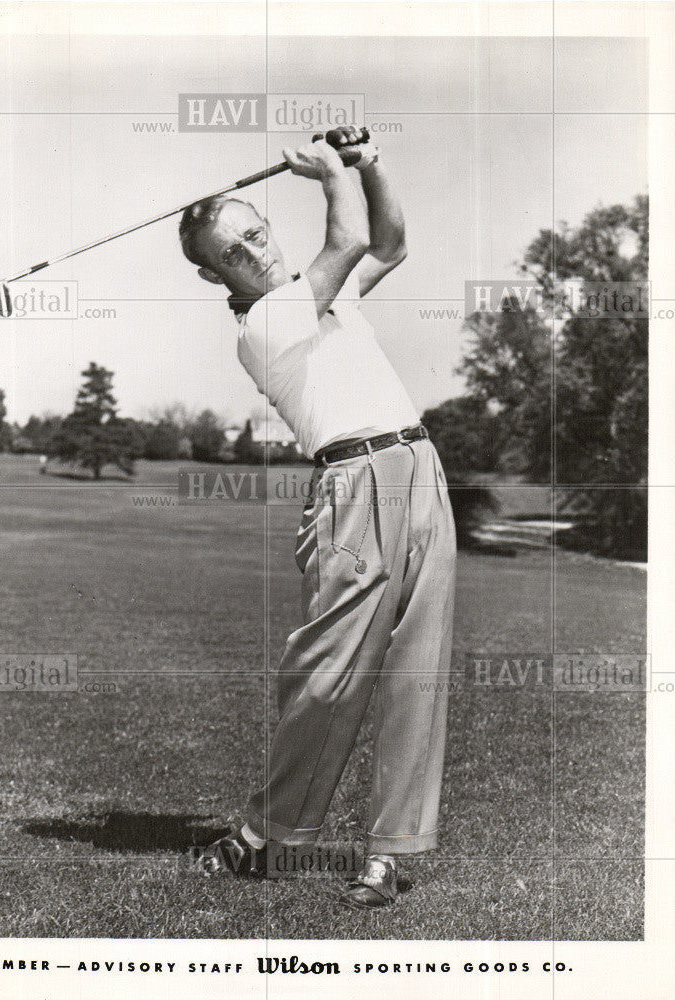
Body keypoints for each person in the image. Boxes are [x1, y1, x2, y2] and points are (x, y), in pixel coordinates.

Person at [178, 126, 457, 909]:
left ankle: (387, 855)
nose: (256, 251)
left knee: (419, 669)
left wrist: (368, 161)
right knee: (326, 678)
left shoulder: (322, 294)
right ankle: (266, 835)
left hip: (419, 468)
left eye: (256, 232)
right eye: (235, 250)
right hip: (353, 483)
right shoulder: (265, 321)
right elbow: (352, 234)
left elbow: (389, 242)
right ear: (213, 275)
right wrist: (329, 170)